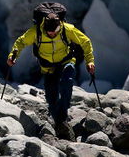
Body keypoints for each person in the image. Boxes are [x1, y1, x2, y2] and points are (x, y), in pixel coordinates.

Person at [7, 12, 95, 140]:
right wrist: (12, 55)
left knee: (67, 80)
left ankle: (62, 116)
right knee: (51, 99)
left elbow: (85, 41)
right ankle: (59, 123)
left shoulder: (68, 29)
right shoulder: (36, 31)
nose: (52, 34)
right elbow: (21, 42)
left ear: (59, 26)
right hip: (48, 68)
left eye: (54, 31)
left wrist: (90, 61)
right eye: (49, 31)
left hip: (66, 62)